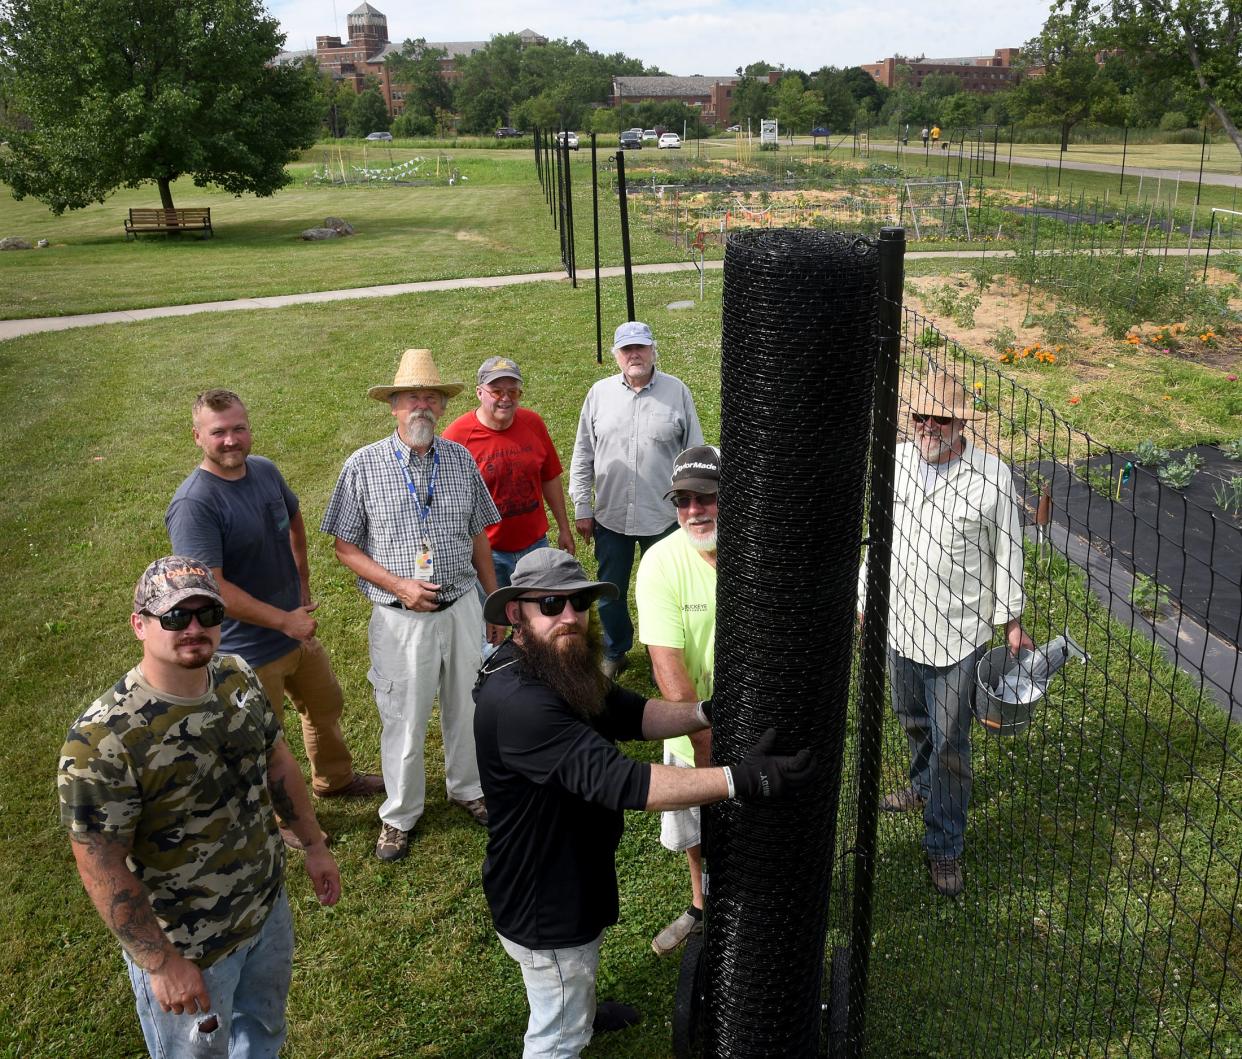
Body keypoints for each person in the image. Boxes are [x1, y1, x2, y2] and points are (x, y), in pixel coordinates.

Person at [474, 549, 814, 1059]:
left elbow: (628, 713)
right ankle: (572, 1022)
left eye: (579, 603)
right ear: (517, 613)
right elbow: (629, 783)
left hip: (568, 873)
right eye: (550, 604)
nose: (569, 617)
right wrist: (742, 780)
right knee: (555, 1031)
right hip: (545, 900)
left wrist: (703, 711)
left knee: (570, 978)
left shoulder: (551, 662)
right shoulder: (522, 707)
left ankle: (579, 1010)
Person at [58, 556, 341, 1058]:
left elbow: (278, 764)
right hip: (188, 949)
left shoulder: (236, 676)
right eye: (175, 617)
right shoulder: (102, 742)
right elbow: (98, 860)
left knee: (263, 1035)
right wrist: (161, 963)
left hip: (265, 912)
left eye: (207, 615)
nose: (194, 628)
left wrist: (315, 845)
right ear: (139, 625)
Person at [166, 389, 383, 852]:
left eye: (238, 428)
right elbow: (212, 588)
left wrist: (301, 585)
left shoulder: (263, 470)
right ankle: (277, 817)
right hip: (244, 651)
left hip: (294, 633)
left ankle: (335, 779)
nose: (231, 440)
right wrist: (285, 621)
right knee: (260, 739)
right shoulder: (195, 504)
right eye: (218, 432)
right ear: (197, 436)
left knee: (324, 707)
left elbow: (295, 518)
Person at [321, 347, 503, 863]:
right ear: (393, 407)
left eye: (430, 398)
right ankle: (400, 813)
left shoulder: (461, 459)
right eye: (410, 399)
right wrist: (398, 585)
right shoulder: (363, 465)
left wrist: (492, 602)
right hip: (401, 620)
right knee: (403, 716)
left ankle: (467, 788)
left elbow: (478, 536)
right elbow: (344, 546)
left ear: (441, 407)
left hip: (463, 606)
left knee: (467, 706)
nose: (421, 407)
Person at [863, 372, 1032, 898]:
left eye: (941, 418)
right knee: (912, 718)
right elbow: (877, 533)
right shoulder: (894, 461)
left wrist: (1012, 622)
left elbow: (1008, 552)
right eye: (920, 417)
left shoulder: (993, 477)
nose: (928, 426)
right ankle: (920, 789)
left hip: (959, 635)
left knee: (952, 746)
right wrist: (867, 598)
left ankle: (944, 845)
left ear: (961, 423)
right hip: (902, 622)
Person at [569, 321, 704, 679]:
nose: (634, 355)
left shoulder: (677, 393)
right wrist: (583, 506)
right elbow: (583, 454)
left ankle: (669, 651)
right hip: (611, 517)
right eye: (626, 350)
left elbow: (692, 456)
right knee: (610, 589)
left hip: (663, 517)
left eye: (640, 348)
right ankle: (615, 651)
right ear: (616, 356)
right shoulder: (598, 394)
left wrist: (693, 508)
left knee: (670, 589)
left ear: (652, 351)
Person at [634, 445, 720, 956]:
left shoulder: (758, 550)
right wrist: (706, 748)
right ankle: (700, 904)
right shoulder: (660, 563)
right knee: (697, 826)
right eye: (683, 501)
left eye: (706, 498)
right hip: (695, 729)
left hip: (761, 727)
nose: (694, 511)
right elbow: (670, 672)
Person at [442, 356, 575, 653]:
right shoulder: (457, 437)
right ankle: (498, 680)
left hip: (535, 546)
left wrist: (564, 528)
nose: (505, 399)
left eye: (512, 392)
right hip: (489, 554)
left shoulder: (533, 423)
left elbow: (549, 477)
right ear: (480, 393)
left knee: (540, 619)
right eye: (496, 391)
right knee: (494, 625)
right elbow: (447, 500)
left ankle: (541, 669)